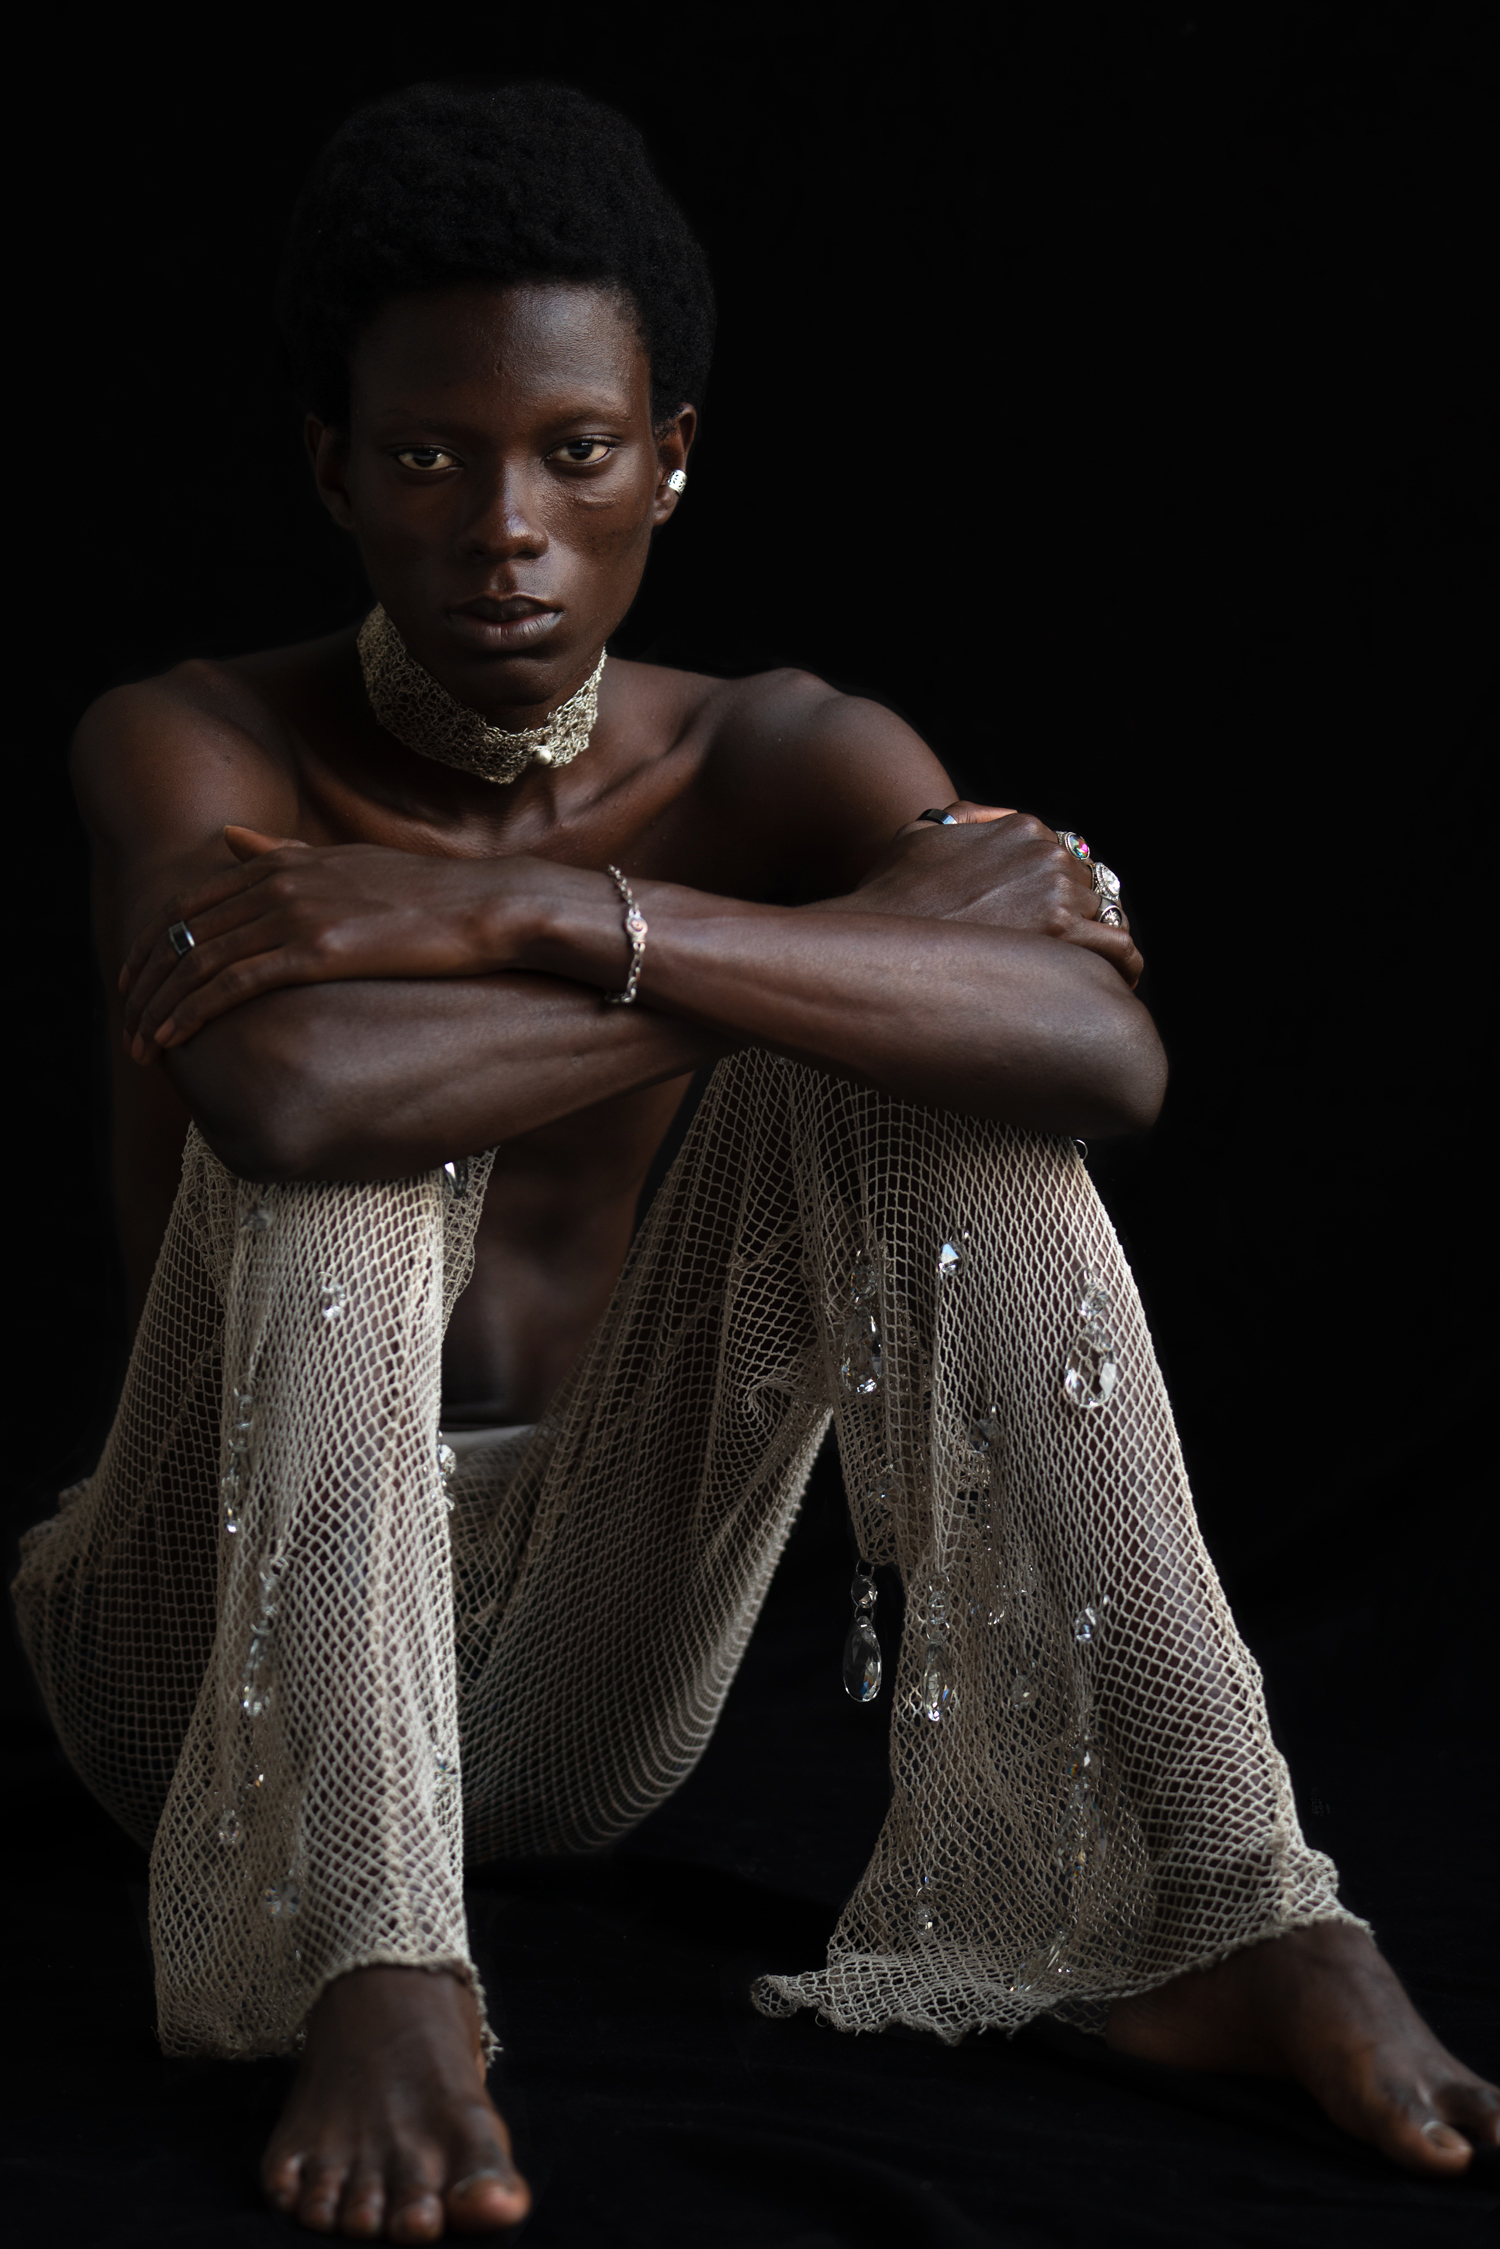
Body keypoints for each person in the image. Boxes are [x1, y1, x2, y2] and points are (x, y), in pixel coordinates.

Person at [15, 80, 1496, 2244]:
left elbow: (1101, 1051)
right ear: (332, 467)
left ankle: (1236, 1901)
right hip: (190, 1656)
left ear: (671, 458)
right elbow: (293, 1102)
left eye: (574, 453)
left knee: (929, 1090)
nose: (504, 527)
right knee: (366, 1136)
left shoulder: (776, 747)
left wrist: (550, 920)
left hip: (597, 1687)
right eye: (428, 457)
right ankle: (372, 1961)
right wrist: (802, 956)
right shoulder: (190, 736)